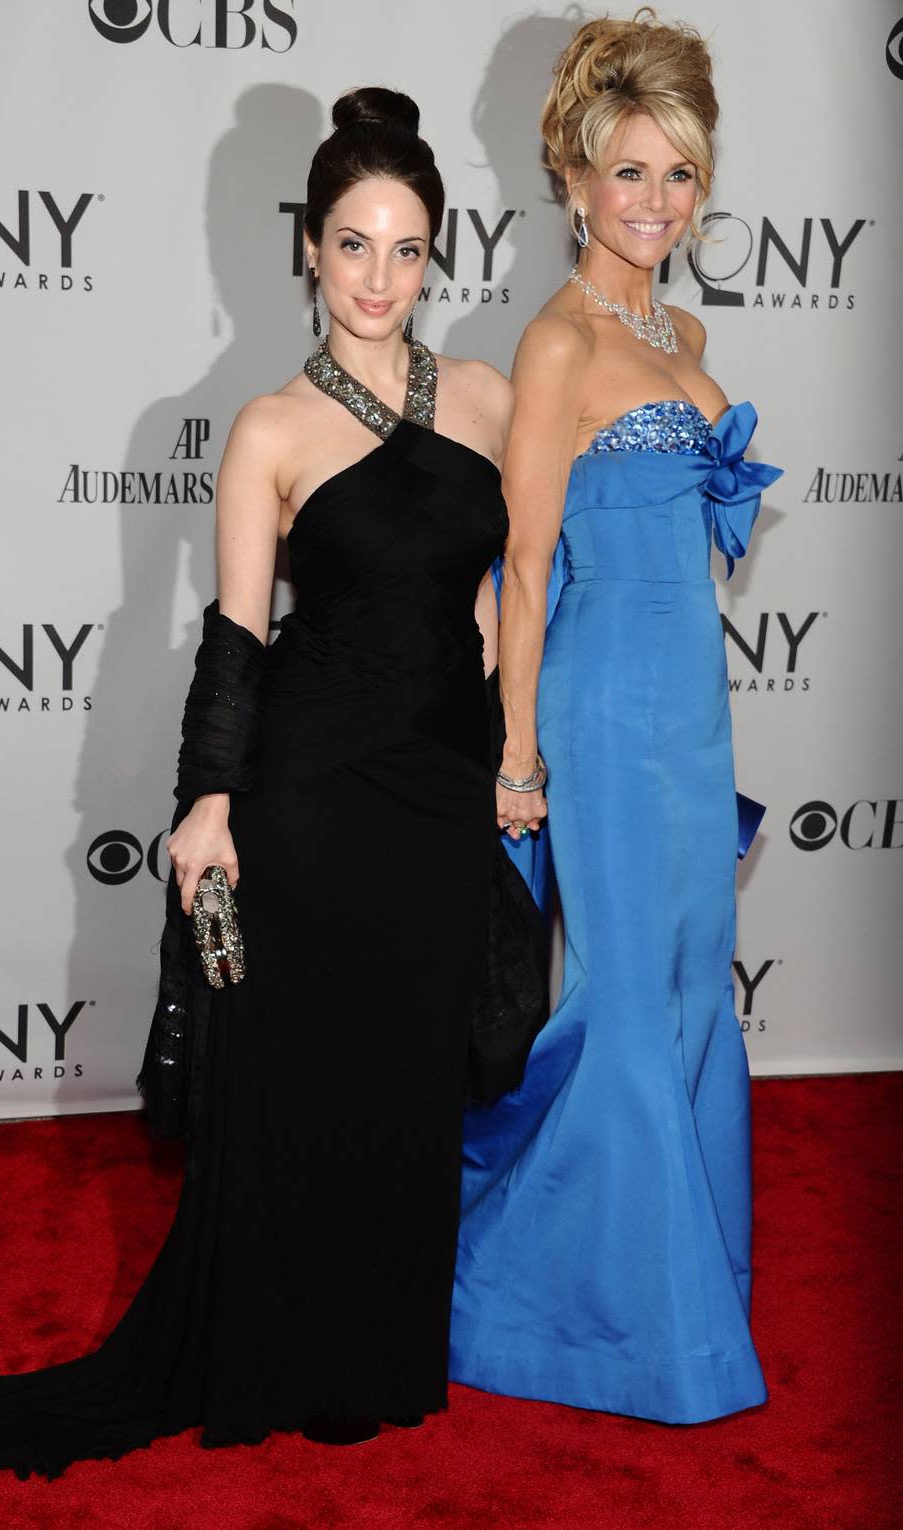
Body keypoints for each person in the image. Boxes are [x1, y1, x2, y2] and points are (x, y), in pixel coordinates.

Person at [0, 86, 546, 1481]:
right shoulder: (267, 430)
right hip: (317, 800)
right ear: (307, 251)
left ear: (437, 253)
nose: (379, 278)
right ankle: (281, 1353)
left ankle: (386, 1353)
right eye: (352, 244)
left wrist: (519, 741)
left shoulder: (494, 397)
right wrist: (207, 806)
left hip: (443, 796)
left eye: (407, 248)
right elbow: (232, 637)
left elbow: (515, 594)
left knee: (403, 1088)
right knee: (305, 1085)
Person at [450, 10, 782, 1425]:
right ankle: (586, 1325)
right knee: (631, 1012)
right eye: (628, 173)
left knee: (692, 993)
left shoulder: (683, 328)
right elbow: (524, 564)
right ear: (574, 178)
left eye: (680, 176)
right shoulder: (559, 343)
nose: (655, 203)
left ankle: (667, 1281)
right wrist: (517, 754)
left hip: (692, 710)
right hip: (595, 706)